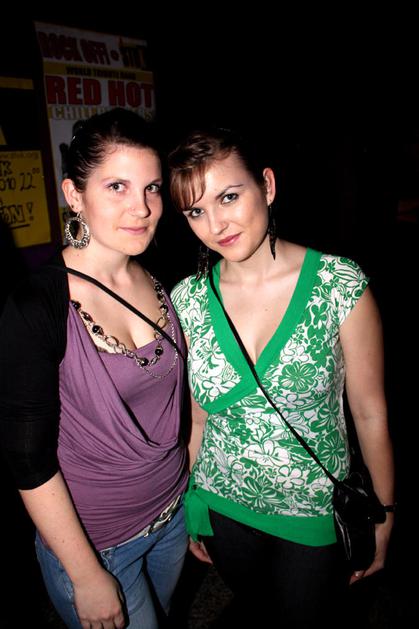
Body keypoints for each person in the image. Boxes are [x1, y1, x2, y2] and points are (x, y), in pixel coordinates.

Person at [168, 127, 395, 627]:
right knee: (258, 613)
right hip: (222, 505)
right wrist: (189, 504)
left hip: (313, 509)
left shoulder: (338, 284)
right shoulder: (186, 300)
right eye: (195, 212)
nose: (216, 224)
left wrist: (385, 511)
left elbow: (369, 412)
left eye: (229, 197)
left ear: (267, 186)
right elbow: (197, 420)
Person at [0, 108, 189, 629]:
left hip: (173, 516)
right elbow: (27, 458)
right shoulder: (37, 307)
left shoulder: (157, 276)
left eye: (152, 188)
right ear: (74, 194)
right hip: (99, 545)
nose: (142, 208)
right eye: (117, 187)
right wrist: (85, 574)